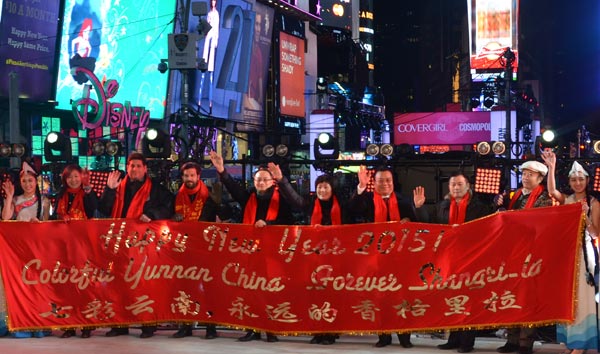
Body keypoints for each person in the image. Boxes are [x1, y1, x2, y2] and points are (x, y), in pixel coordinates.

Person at [209, 151, 295, 343]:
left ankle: (270, 329)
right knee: (249, 292)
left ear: (273, 181)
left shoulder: (282, 201)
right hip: (249, 252)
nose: (261, 183)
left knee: (270, 292)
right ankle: (252, 329)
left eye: (265, 180)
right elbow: (233, 188)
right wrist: (222, 170)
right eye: (258, 180)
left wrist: (268, 225)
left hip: (273, 254)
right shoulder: (250, 198)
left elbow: (290, 221)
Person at [348, 165, 428, 348]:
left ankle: (404, 337)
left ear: (393, 182)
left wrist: (417, 208)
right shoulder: (366, 200)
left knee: (402, 298)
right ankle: (383, 336)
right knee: (380, 298)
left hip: (401, 259)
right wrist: (360, 186)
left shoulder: (405, 201)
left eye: (388, 180)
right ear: (374, 183)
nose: (385, 184)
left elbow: (422, 225)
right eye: (381, 180)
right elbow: (352, 210)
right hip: (374, 259)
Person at [98, 152, 174, 338]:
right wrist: (109, 190)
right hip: (120, 243)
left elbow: (169, 207)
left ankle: (148, 324)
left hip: (144, 245)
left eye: (138, 166)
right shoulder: (117, 187)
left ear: (145, 169)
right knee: (118, 284)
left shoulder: (155, 189)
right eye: (132, 166)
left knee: (144, 284)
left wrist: (152, 214)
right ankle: (120, 324)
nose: (135, 169)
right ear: (127, 168)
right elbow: (104, 209)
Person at [275, 171, 344, 345]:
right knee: (314, 294)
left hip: (336, 258)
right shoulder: (310, 204)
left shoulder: (341, 204)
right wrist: (282, 180)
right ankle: (317, 331)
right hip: (313, 258)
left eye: (325, 187)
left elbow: (356, 206)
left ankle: (330, 332)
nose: (322, 190)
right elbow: (293, 199)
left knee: (332, 295)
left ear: (332, 189)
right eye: (319, 187)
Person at [542, 151, 600, 354]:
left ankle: (583, 344)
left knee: (584, 298)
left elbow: (595, 233)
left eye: (581, 179)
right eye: (574, 179)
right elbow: (551, 191)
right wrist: (551, 168)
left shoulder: (593, 203)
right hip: (567, 256)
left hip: (585, 256)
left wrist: (586, 215)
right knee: (569, 298)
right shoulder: (567, 199)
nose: (577, 183)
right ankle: (572, 341)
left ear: (587, 180)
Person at [495, 160, 552, 354]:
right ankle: (511, 339)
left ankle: (525, 342)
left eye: (530, 174)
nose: (525, 177)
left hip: (532, 253)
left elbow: (538, 223)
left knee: (528, 298)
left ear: (540, 178)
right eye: (524, 174)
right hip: (512, 252)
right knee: (510, 294)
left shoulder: (544, 198)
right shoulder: (515, 195)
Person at [171, 161, 231, 340]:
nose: (189, 179)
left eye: (192, 175)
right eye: (186, 176)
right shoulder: (177, 196)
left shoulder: (210, 195)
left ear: (198, 176)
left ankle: (210, 326)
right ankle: (186, 325)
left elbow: (228, 215)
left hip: (206, 250)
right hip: (184, 249)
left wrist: (220, 203)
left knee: (208, 289)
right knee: (185, 288)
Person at [435, 172, 493, 353]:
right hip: (450, 260)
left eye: (460, 184)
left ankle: (467, 342)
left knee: (469, 301)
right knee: (452, 300)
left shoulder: (480, 208)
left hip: (472, 260)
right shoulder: (442, 206)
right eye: (452, 184)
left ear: (468, 186)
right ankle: (453, 338)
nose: (456, 187)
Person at [1, 161, 50, 338]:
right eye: (24, 181)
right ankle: (19, 322)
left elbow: (48, 225)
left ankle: (36, 323)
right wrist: (9, 197)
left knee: (35, 286)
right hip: (17, 250)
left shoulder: (43, 201)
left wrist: (38, 226)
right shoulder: (16, 200)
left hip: (36, 249)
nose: (27, 184)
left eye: (30, 180)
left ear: (35, 181)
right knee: (19, 286)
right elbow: (6, 219)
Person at [53, 164, 99, 338]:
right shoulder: (61, 196)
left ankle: (87, 324)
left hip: (84, 247)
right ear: (65, 180)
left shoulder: (87, 194)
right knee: (67, 287)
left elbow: (93, 207)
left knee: (84, 285)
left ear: (81, 177)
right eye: (69, 177)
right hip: (64, 248)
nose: (73, 180)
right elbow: (53, 219)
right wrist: (60, 217)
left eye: (76, 176)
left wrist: (88, 188)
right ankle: (69, 325)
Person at [198, 0, 219, 112]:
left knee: (211, 53)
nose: (213, 3)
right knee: (206, 49)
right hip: (208, 33)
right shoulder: (209, 13)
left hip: (214, 33)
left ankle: (209, 104)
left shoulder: (216, 14)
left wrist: (216, 40)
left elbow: (217, 27)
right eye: (212, 2)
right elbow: (206, 24)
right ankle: (204, 62)